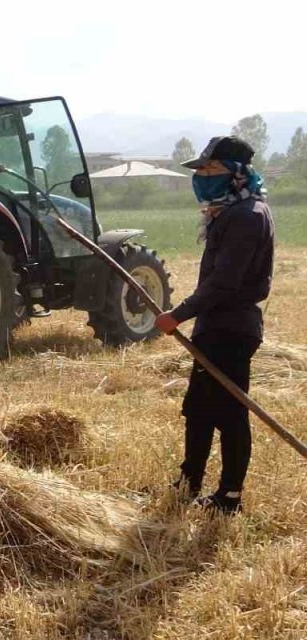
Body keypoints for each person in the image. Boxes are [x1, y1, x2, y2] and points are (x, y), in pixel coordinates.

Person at [155, 136, 274, 514]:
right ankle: (189, 483)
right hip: (216, 326)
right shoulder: (230, 212)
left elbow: (224, 283)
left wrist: (178, 314)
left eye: (211, 169)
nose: (202, 176)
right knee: (199, 410)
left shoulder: (247, 217)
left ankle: (230, 496)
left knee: (231, 413)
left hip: (231, 329)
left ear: (237, 173)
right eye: (201, 170)